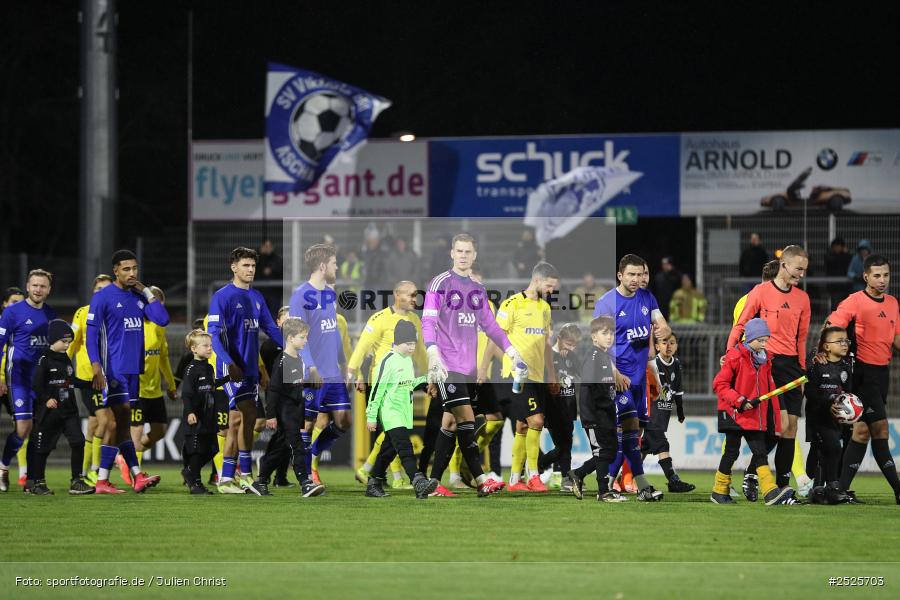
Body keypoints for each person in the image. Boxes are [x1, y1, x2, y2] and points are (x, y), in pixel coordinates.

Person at [421, 232, 522, 497]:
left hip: (468, 369)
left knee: (451, 425)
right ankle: (480, 479)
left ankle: (433, 483)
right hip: (446, 365)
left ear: (474, 256)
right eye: (459, 251)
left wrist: (511, 350)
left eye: (468, 252)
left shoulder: (477, 290)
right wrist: (432, 352)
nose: (463, 256)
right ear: (452, 253)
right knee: (466, 418)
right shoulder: (440, 283)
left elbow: (491, 327)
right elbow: (428, 321)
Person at [727, 245, 810, 491]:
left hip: (793, 367)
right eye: (798, 269)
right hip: (769, 364)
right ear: (784, 265)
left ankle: (783, 485)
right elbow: (741, 325)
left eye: (805, 270)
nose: (801, 275)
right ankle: (753, 472)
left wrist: (803, 370)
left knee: (791, 428)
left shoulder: (803, 298)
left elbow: (802, 337)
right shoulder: (761, 292)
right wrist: (730, 352)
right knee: (780, 425)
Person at [86, 250, 168, 494]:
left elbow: (162, 319)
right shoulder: (103, 297)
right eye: (126, 269)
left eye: (135, 269)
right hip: (113, 371)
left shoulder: (137, 295)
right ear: (115, 271)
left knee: (121, 425)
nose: (131, 273)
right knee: (114, 423)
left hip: (134, 372)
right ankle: (107, 478)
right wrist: (96, 368)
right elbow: (91, 337)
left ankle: (132, 475)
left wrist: (144, 289)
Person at [207, 247, 283, 494]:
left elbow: (271, 329)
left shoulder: (257, 297)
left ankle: (227, 479)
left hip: (249, 368)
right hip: (230, 369)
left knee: (238, 422)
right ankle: (248, 474)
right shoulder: (222, 296)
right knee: (249, 414)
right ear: (234, 267)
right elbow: (214, 336)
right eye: (245, 266)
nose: (250, 270)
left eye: (253, 266)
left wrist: (297, 350)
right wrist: (229, 362)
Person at [593, 254, 669, 501]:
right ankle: (628, 484)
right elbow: (598, 345)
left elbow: (661, 323)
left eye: (640, 275)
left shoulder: (647, 297)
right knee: (623, 431)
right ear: (620, 275)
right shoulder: (606, 303)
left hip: (638, 378)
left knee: (632, 433)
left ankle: (595, 477)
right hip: (618, 378)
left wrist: (664, 328)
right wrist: (613, 373)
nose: (637, 279)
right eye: (632, 275)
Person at [827, 254, 900, 503]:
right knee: (880, 428)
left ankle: (840, 490)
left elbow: (895, 338)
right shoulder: (854, 302)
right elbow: (832, 325)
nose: (882, 280)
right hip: (862, 373)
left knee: (862, 432)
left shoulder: (892, 303)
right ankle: (898, 490)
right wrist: (839, 351)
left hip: (882, 374)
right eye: (877, 275)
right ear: (866, 276)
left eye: (886, 275)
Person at [488, 262, 560, 493]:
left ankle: (514, 480)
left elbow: (546, 344)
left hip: (538, 375)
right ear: (537, 280)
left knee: (521, 426)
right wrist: (483, 369)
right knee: (537, 421)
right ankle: (534, 476)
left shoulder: (545, 309)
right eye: (549, 286)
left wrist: (552, 373)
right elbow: (494, 338)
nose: (551, 291)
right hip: (516, 375)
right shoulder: (511, 304)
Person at [712, 318, 798, 505]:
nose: (764, 344)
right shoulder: (735, 356)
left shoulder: (766, 360)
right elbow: (719, 384)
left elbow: (768, 389)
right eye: (760, 340)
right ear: (749, 338)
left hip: (753, 416)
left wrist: (772, 415)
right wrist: (740, 401)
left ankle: (769, 492)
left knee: (760, 453)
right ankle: (719, 491)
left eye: (766, 340)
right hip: (734, 413)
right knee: (732, 452)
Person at [349, 281, 426, 488]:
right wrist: (353, 371)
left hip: (403, 385)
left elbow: (419, 352)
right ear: (396, 295)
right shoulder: (380, 318)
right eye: (410, 295)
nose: (414, 299)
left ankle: (373, 474)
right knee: (395, 433)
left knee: (391, 436)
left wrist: (430, 375)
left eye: (415, 295)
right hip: (382, 385)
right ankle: (401, 477)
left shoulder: (414, 320)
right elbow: (363, 346)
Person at [289, 244, 349, 487]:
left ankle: (312, 454)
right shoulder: (300, 296)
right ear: (323, 266)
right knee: (308, 424)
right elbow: (296, 339)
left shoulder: (329, 295)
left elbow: (332, 331)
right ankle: (305, 477)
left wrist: (343, 360)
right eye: (334, 263)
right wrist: (310, 368)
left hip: (333, 372)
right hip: (312, 373)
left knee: (344, 421)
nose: (337, 267)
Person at [363, 320, 440, 500]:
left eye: (414, 343)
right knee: (405, 448)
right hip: (391, 412)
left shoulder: (406, 360)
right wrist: (371, 416)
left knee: (388, 451)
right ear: (398, 342)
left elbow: (408, 384)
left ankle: (373, 484)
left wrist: (425, 381)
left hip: (404, 413)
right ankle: (418, 482)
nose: (413, 347)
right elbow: (376, 390)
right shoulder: (387, 361)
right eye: (409, 343)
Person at [252, 318, 325, 498]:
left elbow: (292, 385)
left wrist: (310, 384)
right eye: (302, 337)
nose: (305, 340)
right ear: (290, 338)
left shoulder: (297, 358)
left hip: (295, 409)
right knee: (297, 446)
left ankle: (260, 481)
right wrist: (271, 415)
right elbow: (274, 389)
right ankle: (305, 483)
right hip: (286, 411)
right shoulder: (283, 361)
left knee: (281, 448)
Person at [0, 269, 57, 492]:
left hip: (41, 383)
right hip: (19, 378)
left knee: (39, 431)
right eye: (35, 285)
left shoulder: (51, 315)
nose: (38, 290)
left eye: (43, 286)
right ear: (27, 286)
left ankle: (32, 480)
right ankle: (3, 468)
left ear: (49, 290)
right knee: (23, 428)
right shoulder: (12, 313)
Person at [26, 320, 94, 496]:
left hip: (69, 410)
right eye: (64, 341)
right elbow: (36, 385)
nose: (67, 345)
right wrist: (47, 399)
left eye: (69, 342)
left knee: (78, 441)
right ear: (53, 340)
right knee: (43, 449)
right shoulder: (44, 359)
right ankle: (38, 483)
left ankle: (76, 481)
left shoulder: (65, 359)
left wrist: (91, 384)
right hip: (50, 413)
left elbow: (70, 381)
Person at [119, 286, 176, 484]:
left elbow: (163, 357)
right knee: (136, 431)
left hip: (155, 390)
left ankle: (125, 457)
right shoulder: (133, 325)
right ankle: (137, 476)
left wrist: (170, 383)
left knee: (160, 432)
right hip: (137, 389)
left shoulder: (159, 327)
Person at [568, 315, 625, 502]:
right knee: (601, 451)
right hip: (594, 414)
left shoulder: (604, 356)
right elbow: (590, 389)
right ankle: (603, 492)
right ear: (594, 337)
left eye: (611, 333)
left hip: (605, 413)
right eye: (604, 333)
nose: (609, 337)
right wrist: (594, 414)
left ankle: (578, 473)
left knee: (610, 450)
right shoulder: (593, 357)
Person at [68, 274, 113, 486]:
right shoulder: (83, 312)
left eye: (105, 290)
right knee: (104, 420)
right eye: (98, 290)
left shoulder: (114, 313)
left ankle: (83, 471)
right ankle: (95, 470)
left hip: (109, 376)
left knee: (95, 423)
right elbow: (72, 341)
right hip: (89, 377)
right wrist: (62, 366)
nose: (101, 294)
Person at [803, 326, 852, 504]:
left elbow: (849, 392)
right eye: (839, 341)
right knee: (831, 448)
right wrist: (828, 402)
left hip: (835, 419)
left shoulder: (847, 367)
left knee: (824, 451)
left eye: (846, 340)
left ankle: (818, 489)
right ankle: (830, 487)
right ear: (826, 346)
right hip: (818, 417)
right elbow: (810, 391)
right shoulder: (816, 365)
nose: (844, 344)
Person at [179, 329, 229, 495]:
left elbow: (213, 386)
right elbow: (186, 393)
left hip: (209, 416)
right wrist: (190, 412)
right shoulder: (191, 369)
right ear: (194, 349)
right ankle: (196, 483)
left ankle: (189, 472)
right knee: (197, 450)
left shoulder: (208, 368)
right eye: (205, 346)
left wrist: (229, 378)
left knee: (213, 449)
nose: (209, 348)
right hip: (196, 416)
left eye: (210, 345)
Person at [645, 333, 694, 492]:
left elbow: (678, 390)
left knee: (644, 447)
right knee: (662, 444)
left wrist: (680, 411)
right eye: (664, 342)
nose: (668, 346)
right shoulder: (653, 363)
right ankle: (673, 480)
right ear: (657, 346)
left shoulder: (677, 364)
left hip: (663, 413)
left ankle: (622, 478)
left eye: (672, 342)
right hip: (650, 412)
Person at [539, 323, 583, 491]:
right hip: (554, 407)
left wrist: (571, 356)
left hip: (569, 406)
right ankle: (562, 476)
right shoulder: (549, 356)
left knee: (566, 445)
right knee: (564, 446)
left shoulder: (572, 357)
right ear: (559, 338)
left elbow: (583, 374)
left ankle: (556, 472)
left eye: (574, 344)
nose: (572, 347)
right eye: (569, 343)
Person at [259, 306, 293, 488]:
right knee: (285, 436)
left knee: (286, 437)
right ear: (278, 322)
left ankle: (279, 476)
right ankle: (266, 470)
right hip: (279, 395)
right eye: (286, 319)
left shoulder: (297, 342)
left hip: (292, 395)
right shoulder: (270, 346)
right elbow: (270, 376)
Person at [0, 287, 25, 452]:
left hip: (16, 382)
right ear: (4, 304)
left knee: (22, 424)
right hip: (3, 380)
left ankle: (23, 473)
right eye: (13, 303)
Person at [256, 239, 284, 318]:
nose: (267, 248)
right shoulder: (258, 259)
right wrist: (261, 255)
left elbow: (280, 269)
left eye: (269, 246)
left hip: (274, 292)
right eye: (266, 246)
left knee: (274, 314)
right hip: (261, 291)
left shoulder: (277, 259)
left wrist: (272, 269)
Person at [824, 236, 852, 308]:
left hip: (845, 287)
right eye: (836, 246)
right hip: (835, 287)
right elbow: (834, 263)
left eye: (839, 246)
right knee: (836, 307)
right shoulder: (829, 256)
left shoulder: (846, 256)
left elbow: (849, 265)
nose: (837, 248)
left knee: (846, 307)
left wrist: (846, 253)